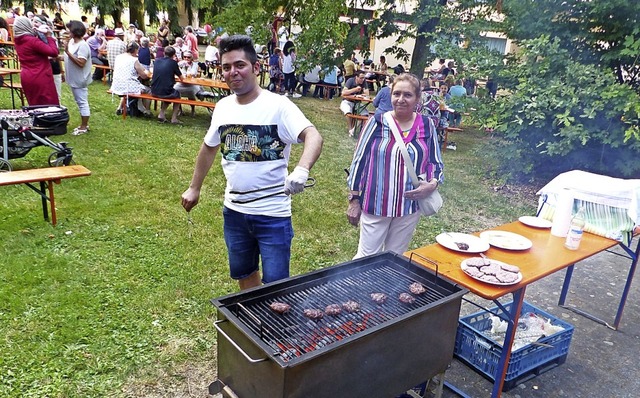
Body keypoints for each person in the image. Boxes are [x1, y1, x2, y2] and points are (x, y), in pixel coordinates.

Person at [181, 34, 323, 290]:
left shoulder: (279, 106)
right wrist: (194, 187)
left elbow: (313, 136)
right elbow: (209, 147)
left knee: (275, 284)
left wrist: (301, 170)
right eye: (226, 67)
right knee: (244, 274)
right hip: (234, 212)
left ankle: (275, 328)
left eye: (240, 65)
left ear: (256, 67)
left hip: (273, 214)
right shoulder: (223, 107)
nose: (233, 72)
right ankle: (252, 326)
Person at [346, 73, 443, 258]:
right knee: (366, 257)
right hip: (376, 204)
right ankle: (360, 287)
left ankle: (385, 288)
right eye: (396, 94)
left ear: (417, 98)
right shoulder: (377, 122)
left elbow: (435, 162)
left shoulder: (427, 124)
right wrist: (353, 200)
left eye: (407, 95)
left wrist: (433, 183)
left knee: (394, 257)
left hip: (409, 206)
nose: (401, 99)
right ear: (390, 95)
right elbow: (358, 162)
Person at [13, 16, 60, 105]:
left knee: (34, 105)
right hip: (40, 75)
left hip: (26, 76)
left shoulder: (18, 41)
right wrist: (49, 37)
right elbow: (53, 52)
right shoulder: (32, 41)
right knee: (48, 106)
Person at [64, 20, 92, 135]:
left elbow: (81, 63)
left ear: (74, 31)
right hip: (72, 77)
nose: (67, 31)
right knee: (78, 100)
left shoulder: (83, 45)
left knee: (82, 101)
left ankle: (84, 126)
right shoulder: (71, 42)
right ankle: (83, 125)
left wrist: (67, 53)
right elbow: (67, 58)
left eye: (69, 29)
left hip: (80, 78)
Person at [110, 41, 152, 116]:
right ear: (136, 50)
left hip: (116, 85)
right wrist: (146, 72)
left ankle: (120, 107)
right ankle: (147, 111)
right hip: (129, 87)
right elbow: (144, 76)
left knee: (128, 88)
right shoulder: (134, 60)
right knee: (149, 90)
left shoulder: (119, 57)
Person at [151, 46, 183, 124]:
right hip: (165, 92)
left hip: (154, 90)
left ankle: (161, 114)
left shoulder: (157, 61)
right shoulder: (173, 63)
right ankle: (174, 118)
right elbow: (182, 78)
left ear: (164, 53)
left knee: (169, 92)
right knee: (176, 95)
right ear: (174, 55)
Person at [340, 70, 369, 136]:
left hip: (357, 103)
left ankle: (353, 129)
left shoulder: (364, 82)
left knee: (365, 114)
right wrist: (355, 90)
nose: (363, 79)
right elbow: (343, 93)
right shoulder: (350, 80)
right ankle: (350, 128)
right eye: (361, 78)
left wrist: (362, 95)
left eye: (364, 78)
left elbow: (367, 94)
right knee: (347, 112)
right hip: (347, 101)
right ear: (356, 77)